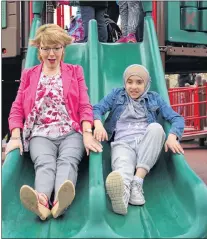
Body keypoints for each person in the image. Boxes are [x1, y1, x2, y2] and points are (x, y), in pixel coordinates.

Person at [6, 24, 102, 220]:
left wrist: (87, 132)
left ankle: (59, 202)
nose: (51, 53)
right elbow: (17, 107)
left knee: (68, 161)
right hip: (40, 133)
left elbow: (84, 104)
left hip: (71, 131)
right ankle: (41, 203)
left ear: (63, 49)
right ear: (39, 50)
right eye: (46, 48)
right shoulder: (29, 74)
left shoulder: (75, 71)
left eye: (56, 47)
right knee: (45, 163)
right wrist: (15, 136)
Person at [93, 64, 185, 215]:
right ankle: (122, 195)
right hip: (123, 143)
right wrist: (98, 124)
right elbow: (97, 108)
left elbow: (176, 118)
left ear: (146, 84)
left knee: (156, 128)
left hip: (146, 147)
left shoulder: (154, 98)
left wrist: (173, 136)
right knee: (122, 166)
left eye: (139, 82)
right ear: (124, 83)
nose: (133, 87)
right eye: (130, 82)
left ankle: (137, 183)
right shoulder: (117, 94)